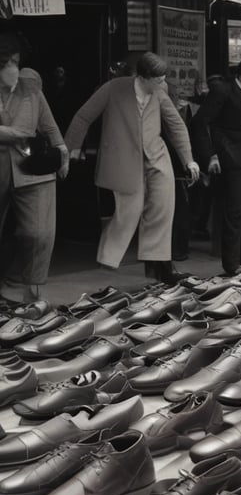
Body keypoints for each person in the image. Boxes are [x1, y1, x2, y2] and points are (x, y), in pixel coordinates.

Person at [65, 51, 199, 284]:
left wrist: (189, 160)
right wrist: (72, 147)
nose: (163, 84)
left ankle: (161, 268)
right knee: (131, 210)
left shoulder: (159, 92)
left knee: (162, 209)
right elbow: (83, 117)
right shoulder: (113, 88)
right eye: (158, 80)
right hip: (123, 160)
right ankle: (108, 257)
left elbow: (176, 126)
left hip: (157, 158)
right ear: (144, 77)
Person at [0, 36, 69, 304]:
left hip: (32, 168)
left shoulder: (30, 86)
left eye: (15, 62)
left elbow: (43, 126)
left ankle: (33, 293)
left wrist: (62, 150)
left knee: (39, 233)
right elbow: (20, 132)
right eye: (6, 63)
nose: (12, 68)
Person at [190, 54, 241, 275]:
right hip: (230, 156)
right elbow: (201, 122)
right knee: (233, 211)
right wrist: (211, 155)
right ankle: (232, 264)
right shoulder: (223, 90)